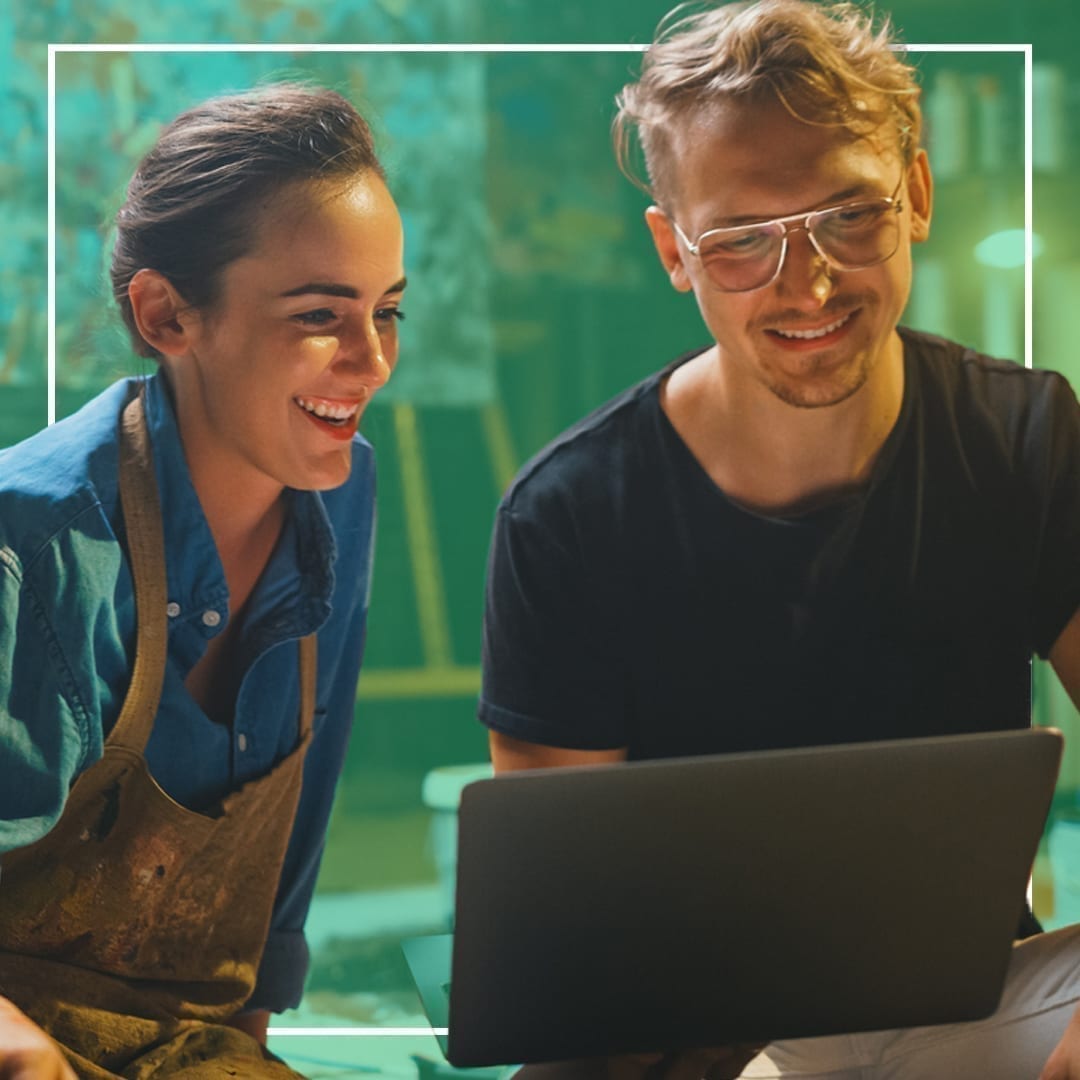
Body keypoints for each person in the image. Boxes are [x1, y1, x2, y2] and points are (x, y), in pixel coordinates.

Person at [477, 1, 1080, 1077]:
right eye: (743, 241)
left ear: (920, 197)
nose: (806, 284)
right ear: (675, 251)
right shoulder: (567, 515)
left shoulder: (1025, 438)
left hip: (965, 1003)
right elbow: (561, 953)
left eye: (850, 216)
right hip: (681, 1039)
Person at [0, 83, 406, 1078]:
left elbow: (293, 833)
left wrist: (256, 1024)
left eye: (387, 312)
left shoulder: (344, 495)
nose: (372, 362)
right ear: (166, 313)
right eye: (320, 315)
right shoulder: (41, 542)